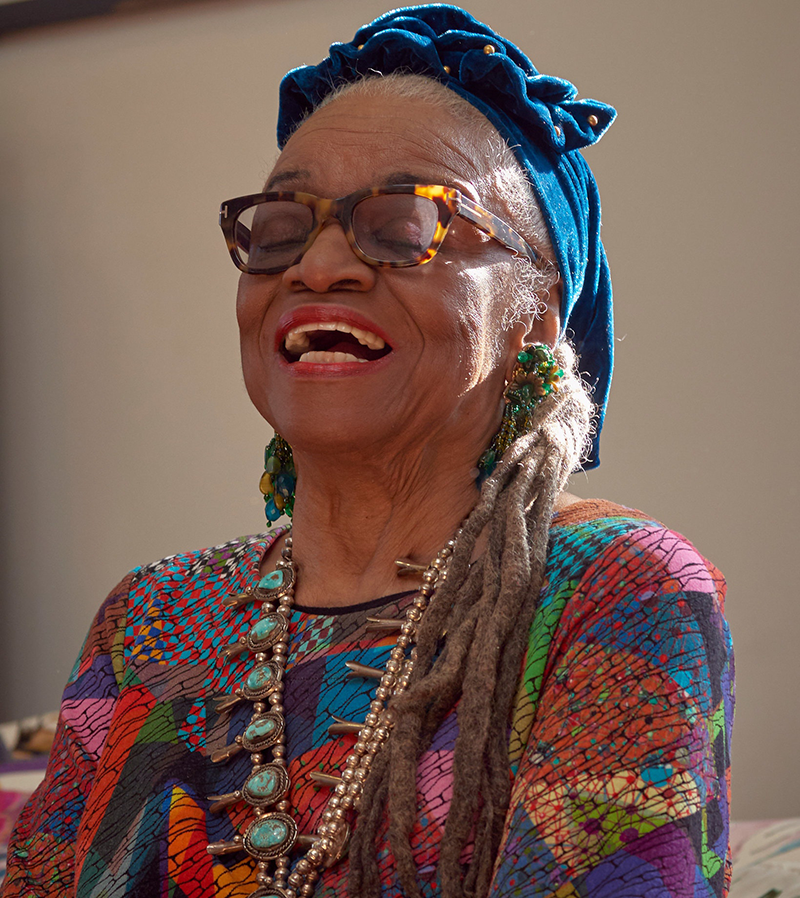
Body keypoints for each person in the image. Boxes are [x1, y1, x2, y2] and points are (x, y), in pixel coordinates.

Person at [2, 6, 733, 898]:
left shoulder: (612, 592)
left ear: (534, 324)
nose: (318, 267)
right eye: (279, 229)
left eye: (402, 223)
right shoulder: (149, 621)